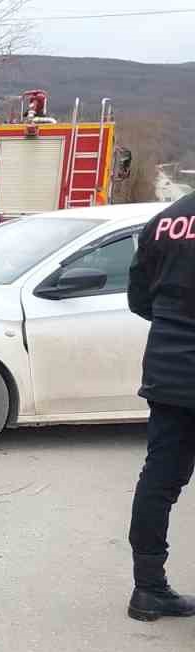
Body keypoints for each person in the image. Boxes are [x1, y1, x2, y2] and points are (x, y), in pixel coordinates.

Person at [125, 189, 195, 622]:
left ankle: (148, 589)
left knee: (159, 480)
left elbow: (138, 298)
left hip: (168, 372)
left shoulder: (166, 221)